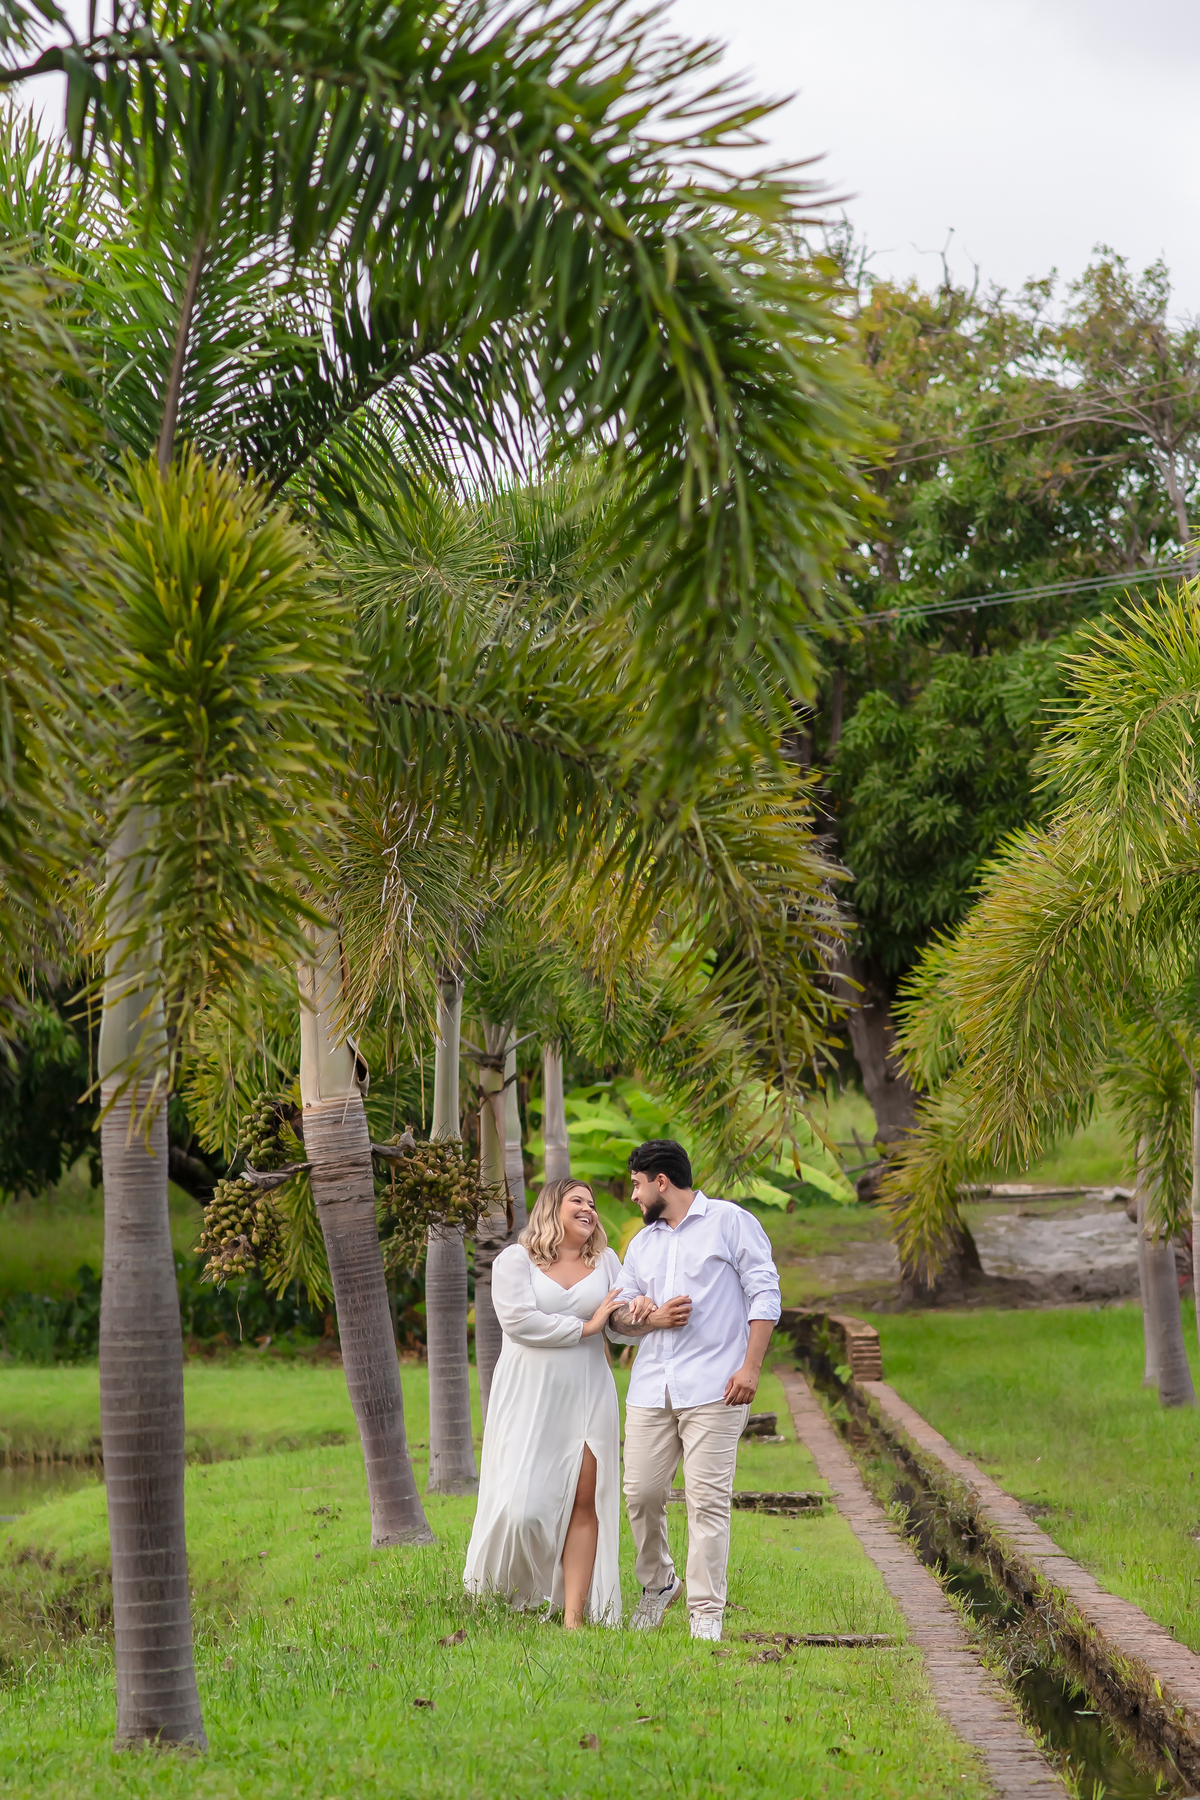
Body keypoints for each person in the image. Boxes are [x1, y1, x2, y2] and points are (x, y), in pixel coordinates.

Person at [610, 1138, 782, 1642]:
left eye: (638, 1185)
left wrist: (750, 1369)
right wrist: (647, 1315)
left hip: (716, 1388)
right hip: (651, 1389)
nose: (635, 1197)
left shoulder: (730, 1222)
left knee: (707, 1501)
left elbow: (765, 1292)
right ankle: (660, 1583)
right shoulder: (643, 1244)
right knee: (640, 1493)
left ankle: (706, 1613)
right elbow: (616, 1321)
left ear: (661, 1181)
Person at [463, 1178, 628, 1627]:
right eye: (577, 1200)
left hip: (589, 1389)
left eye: (592, 1204)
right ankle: (509, 1592)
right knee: (523, 1507)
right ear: (552, 1208)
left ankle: (574, 1615)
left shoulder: (607, 1261)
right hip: (530, 1392)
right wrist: (584, 1327)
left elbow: (619, 1324)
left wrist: (645, 1314)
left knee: (583, 1501)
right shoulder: (516, 1260)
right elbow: (519, 1322)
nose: (588, 1209)